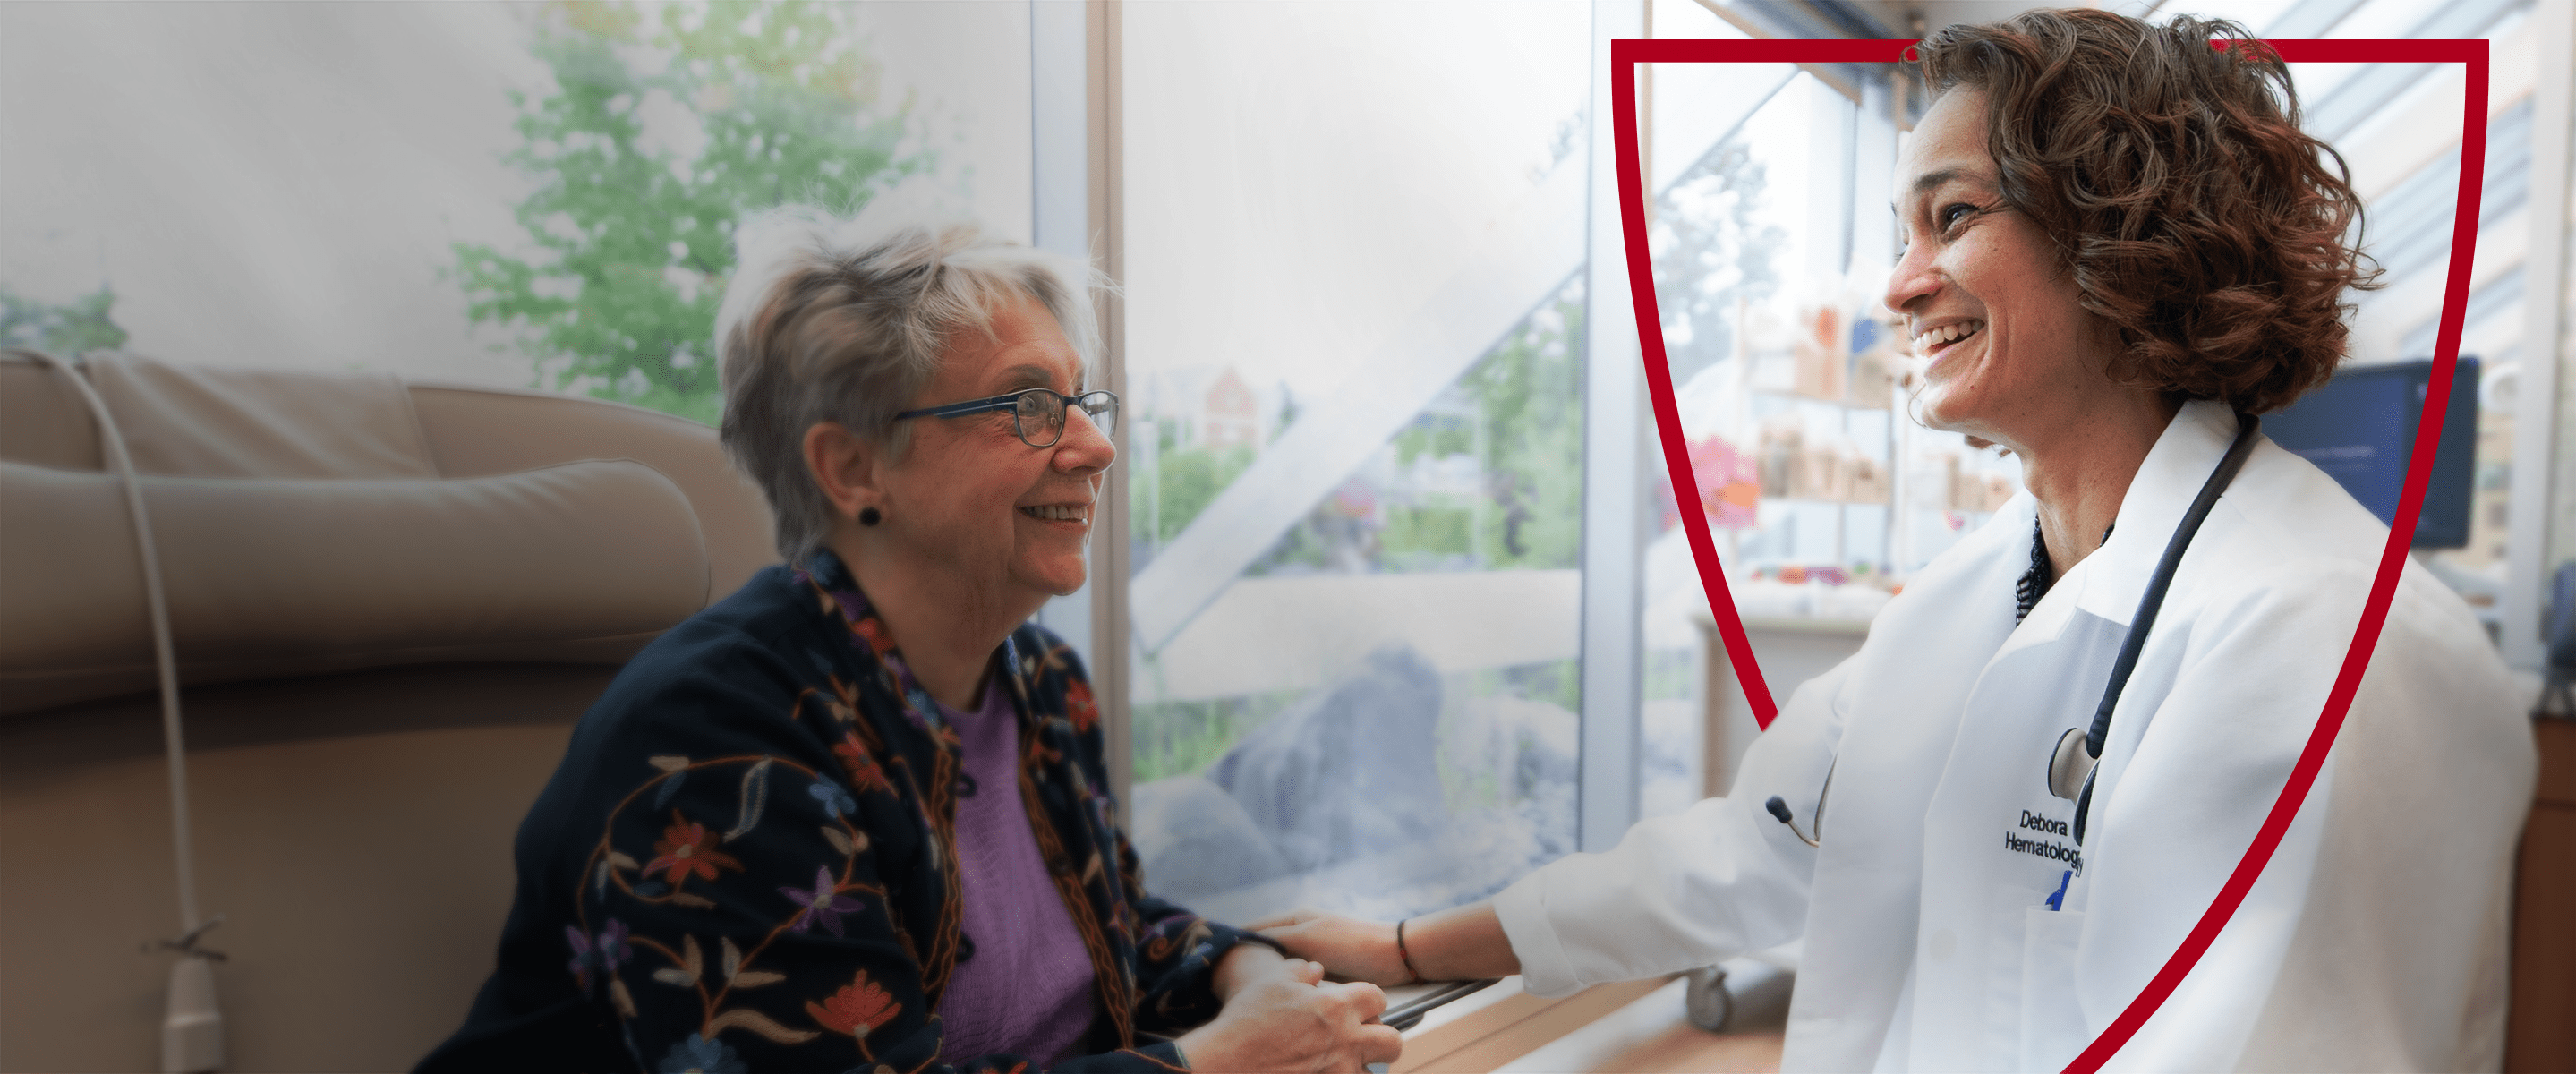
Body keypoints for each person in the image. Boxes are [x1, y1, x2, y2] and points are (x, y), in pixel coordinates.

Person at [1255, 11, 2535, 1071]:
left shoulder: (2329, 643)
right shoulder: (1972, 597)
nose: (1897, 283)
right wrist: (1414, 951)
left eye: (1952, 216)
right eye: (1899, 231)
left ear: (2119, 237)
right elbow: (1747, 854)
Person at [419, 206, 1401, 1073]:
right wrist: (1215, 1063)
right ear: (853, 469)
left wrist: (1253, 973)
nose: (1095, 448)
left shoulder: (1040, 682)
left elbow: (1111, 938)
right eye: (1027, 406)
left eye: (1080, 401)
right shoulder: (714, 739)